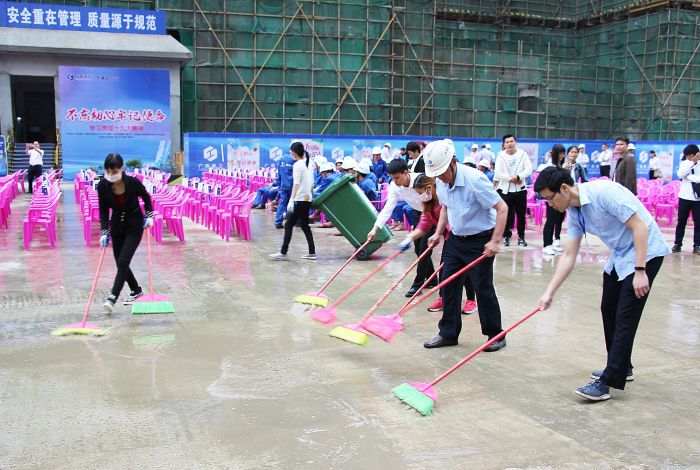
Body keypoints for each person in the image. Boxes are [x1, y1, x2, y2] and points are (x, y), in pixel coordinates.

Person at [535, 166, 670, 401]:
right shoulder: (575, 213)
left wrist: (640, 271)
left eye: (549, 198)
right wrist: (549, 292)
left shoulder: (604, 193)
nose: (549, 204)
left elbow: (639, 226)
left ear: (564, 189)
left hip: (645, 252)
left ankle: (609, 380)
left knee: (625, 316)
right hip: (620, 254)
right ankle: (621, 365)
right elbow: (569, 255)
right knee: (608, 308)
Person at [423, 139, 509, 350]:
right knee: (448, 286)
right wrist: (437, 233)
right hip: (455, 240)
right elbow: (445, 207)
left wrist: (495, 241)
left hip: (480, 241)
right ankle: (448, 333)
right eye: (437, 174)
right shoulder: (441, 182)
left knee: (482, 287)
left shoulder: (475, 180)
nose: (441, 177)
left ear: (453, 161)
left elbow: (502, 208)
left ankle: (496, 335)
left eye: (444, 171)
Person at [398, 174, 477, 315]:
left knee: (464, 270)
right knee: (445, 269)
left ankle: (471, 300)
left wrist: (438, 234)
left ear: (429, 188)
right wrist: (410, 237)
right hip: (449, 239)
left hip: (464, 237)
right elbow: (425, 223)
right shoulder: (428, 203)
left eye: (421, 193)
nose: (420, 196)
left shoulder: (445, 198)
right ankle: (443, 297)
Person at [367, 159, 432, 296]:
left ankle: (418, 285)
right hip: (418, 213)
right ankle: (432, 279)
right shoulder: (395, 186)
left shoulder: (421, 180)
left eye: (397, 177)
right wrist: (375, 228)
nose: (395, 181)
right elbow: (388, 208)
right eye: (392, 178)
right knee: (419, 249)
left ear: (406, 172)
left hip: (431, 213)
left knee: (424, 249)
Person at [97, 153, 153, 312]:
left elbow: (146, 197)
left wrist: (149, 215)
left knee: (123, 261)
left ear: (121, 169)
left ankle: (112, 297)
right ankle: (136, 290)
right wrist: (104, 231)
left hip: (134, 224)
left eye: (114, 171)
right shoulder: (102, 186)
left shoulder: (132, 182)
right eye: (108, 171)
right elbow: (103, 210)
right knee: (120, 262)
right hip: (117, 225)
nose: (111, 175)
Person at [269, 142, 316, 261]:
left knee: (289, 224)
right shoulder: (309, 163)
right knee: (305, 226)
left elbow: (296, 184)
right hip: (307, 198)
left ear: (294, 152)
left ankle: (283, 252)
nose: (290, 153)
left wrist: (291, 199)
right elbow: (311, 182)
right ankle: (312, 252)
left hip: (299, 199)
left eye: (291, 151)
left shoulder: (298, 165)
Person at [494, 134, 533, 247]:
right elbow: (498, 173)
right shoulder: (500, 156)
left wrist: (519, 177)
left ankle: (521, 237)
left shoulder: (522, 155)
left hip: (520, 190)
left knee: (521, 215)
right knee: (505, 214)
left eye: (511, 141)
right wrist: (511, 179)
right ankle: (506, 235)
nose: (510, 144)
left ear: (515, 142)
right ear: (504, 145)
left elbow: (529, 169)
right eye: (507, 142)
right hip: (505, 191)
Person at [672, 144, 700, 254]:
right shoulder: (685, 163)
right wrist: (692, 163)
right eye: (688, 156)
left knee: (698, 222)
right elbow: (680, 174)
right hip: (684, 197)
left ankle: (697, 244)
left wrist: (690, 178)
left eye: (691, 155)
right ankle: (677, 243)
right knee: (681, 221)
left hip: (697, 199)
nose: (689, 157)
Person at [542, 145, 567, 256]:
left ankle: (553, 243)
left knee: (558, 220)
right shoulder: (550, 166)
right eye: (559, 153)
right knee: (550, 221)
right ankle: (546, 244)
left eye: (563, 153)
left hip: (561, 198)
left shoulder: (562, 165)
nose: (561, 156)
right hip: (551, 198)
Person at [273, 152, 295, 228]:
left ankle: (278, 221)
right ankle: (295, 221)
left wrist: (279, 185)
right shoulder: (295, 159)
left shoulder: (282, 159)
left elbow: (278, 173)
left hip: (284, 186)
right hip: (293, 186)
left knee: (282, 204)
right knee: (294, 203)